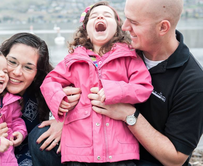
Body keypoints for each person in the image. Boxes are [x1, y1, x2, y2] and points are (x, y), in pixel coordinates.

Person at [87, 0, 203, 165]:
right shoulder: (119, 50)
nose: (125, 27)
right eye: (126, 18)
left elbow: (176, 158)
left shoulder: (193, 83)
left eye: (134, 22)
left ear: (163, 27)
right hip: (103, 151)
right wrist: (62, 118)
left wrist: (129, 115)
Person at [40, 1, 153, 165]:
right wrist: (60, 98)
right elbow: (50, 82)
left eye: (107, 15)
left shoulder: (129, 57)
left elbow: (143, 87)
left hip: (120, 151)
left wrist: (115, 90)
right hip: (78, 150)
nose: (100, 16)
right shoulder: (72, 60)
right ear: (86, 29)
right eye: (94, 16)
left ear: (118, 28)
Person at [0, 33, 54, 166]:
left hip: (29, 157)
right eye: (12, 62)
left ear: (37, 73)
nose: (17, 72)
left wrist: (64, 123)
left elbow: (82, 101)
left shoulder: (46, 90)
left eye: (28, 67)